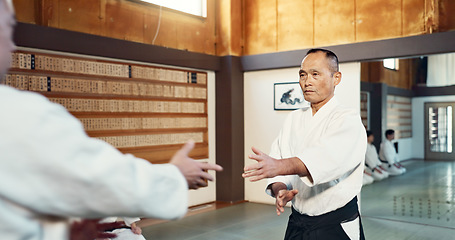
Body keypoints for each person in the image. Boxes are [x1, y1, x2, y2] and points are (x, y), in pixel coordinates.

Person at [0, 0, 223, 239]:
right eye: (8, 28)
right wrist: (176, 174)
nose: (13, 45)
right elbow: (97, 179)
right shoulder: (16, 112)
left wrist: (58, 232)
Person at [243, 48, 367, 239]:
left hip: (334, 224)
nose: (307, 82)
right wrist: (280, 188)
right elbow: (279, 157)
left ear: (336, 78)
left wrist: (278, 166)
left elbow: (325, 159)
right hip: (299, 221)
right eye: (303, 75)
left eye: (315, 74)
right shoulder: (294, 118)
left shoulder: (347, 119)